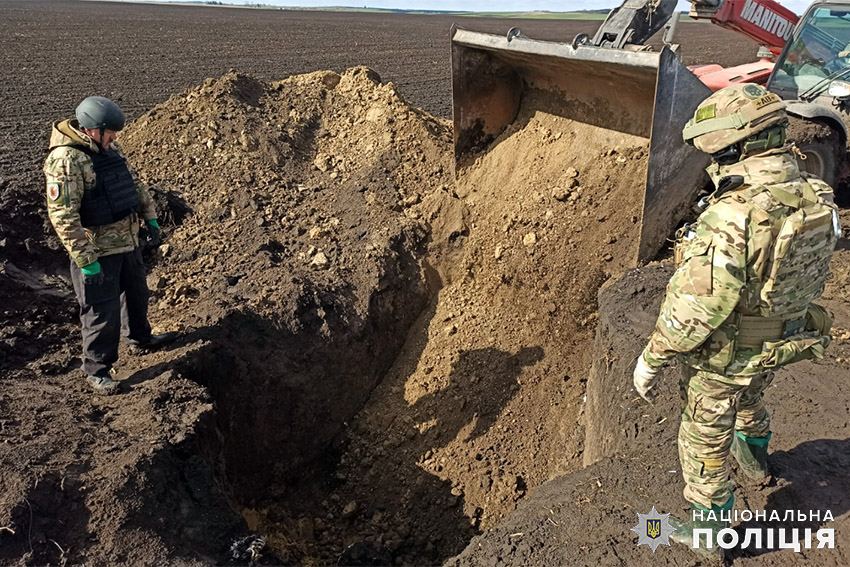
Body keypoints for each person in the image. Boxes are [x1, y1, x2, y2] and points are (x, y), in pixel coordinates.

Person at [632, 83, 840, 558]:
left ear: (739, 147)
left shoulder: (735, 212)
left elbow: (697, 307)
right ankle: (756, 457)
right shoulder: (816, 191)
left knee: (703, 432)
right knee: (752, 393)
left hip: (730, 349)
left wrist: (654, 356)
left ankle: (709, 534)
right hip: (785, 335)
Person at [44, 96, 177, 395]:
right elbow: (63, 215)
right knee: (101, 310)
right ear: (92, 129)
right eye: (110, 132)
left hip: (127, 241)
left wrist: (151, 218)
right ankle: (97, 369)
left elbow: (134, 184)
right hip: (97, 250)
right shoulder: (66, 160)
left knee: (137, 294)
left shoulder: (108, 148)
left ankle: (141, 338)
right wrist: (84, 259)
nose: (115, 137)